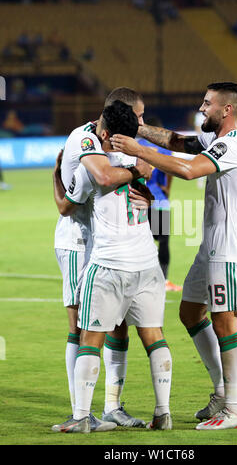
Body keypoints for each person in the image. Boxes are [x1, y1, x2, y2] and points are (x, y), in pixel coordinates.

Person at [110, 82, 237, 430]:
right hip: (212, 247)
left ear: (227, 110)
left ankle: (235, 408)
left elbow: (189, 170)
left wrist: (138, 150)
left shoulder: (235, 147)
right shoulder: (215, 141)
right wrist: (138, 127)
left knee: (225, 321)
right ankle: (222, 391)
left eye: (208, 104)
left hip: (230, 248)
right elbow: (177, 143)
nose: (201, 108)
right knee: (191, 312)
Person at [52, 100, 172, 433]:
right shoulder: (96, 144)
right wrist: (142, 174)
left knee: (102, 331)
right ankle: (94, 412)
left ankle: (100, 410)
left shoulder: (107, 160)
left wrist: (55, 180)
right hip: (104, 250)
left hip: (108, 258)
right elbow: (109, 184)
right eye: (138, 117)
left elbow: (72, 202)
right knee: (100, 329)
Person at [145, 117, 182, 292]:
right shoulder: (163, 148)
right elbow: (171, 170)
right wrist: (167, 188)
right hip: (159, 201)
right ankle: (164, 281)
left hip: (140, 202)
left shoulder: (136, 145)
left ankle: (142, 281)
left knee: (143, 243)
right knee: (163, 242)